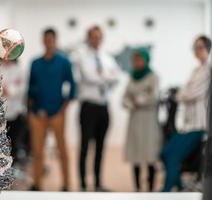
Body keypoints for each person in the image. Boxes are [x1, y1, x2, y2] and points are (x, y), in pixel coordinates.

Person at [161, 35, 211, 192]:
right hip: (187, 124)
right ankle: (180, 187)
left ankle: (167, 191)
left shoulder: (208, 71)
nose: (197, 50)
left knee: (171, 155)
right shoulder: (196, 70)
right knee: (165, 152)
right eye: (195, 47)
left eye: (200, 47)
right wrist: (181, 94)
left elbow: (190, 94)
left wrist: (178, 95)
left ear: (208, 49)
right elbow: (186, 92)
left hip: (198, 125)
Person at [27, 28, 76, 191]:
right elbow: (30, 90)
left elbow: (71, 88)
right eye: (45, 39)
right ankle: (37, 184)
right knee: (37, 151)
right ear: (43, 40)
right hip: (37, 115)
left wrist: (63, 110)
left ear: (55, 40)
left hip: (57, 114)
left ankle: (66, 184)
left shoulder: (64, 62)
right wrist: (32, 110)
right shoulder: (35, 63)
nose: (48, 41)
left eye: (51, 39)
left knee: (62, 150)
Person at [72, 25, 119, 191]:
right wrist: (107, 77)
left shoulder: (106, 58)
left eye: (99, 36)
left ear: (102, 38)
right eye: (93, 36)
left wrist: (103, 77)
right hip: (88, 107)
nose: (96, 39)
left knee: (100, 147)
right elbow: (89, 76)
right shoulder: (81, 56)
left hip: (103, 107)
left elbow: (117, 77)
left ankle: (98, 183)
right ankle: (83, 184)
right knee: (85, 147)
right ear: (88, 37)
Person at [122, 48, 161, 192]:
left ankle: (151, 190)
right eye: (135, 60)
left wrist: (137, 100)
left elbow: (154, 97)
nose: (137, 62)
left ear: (146, 60)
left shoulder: (153, 76)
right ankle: (137, 189)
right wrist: (135, 101)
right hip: (135, 119)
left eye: (140, 59)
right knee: (135, 155)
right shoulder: (132, 77)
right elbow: (124, 99)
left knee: (150, 155)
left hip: (148, 120)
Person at [0, 59, 28, 162]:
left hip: (16, 114)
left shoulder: (19, 70)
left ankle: (12, 171)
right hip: (0, 116)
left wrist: (9, 90)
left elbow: (22, 89)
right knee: (0, 147)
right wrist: (4, 90)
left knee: (14, 145)